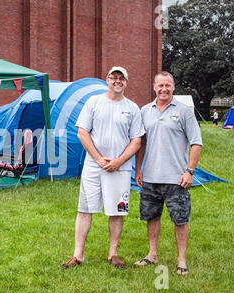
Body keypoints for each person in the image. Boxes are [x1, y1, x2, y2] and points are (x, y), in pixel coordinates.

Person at [61, 66, 145, 269]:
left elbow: (136, 140)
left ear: (126, 82)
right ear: (107, 79)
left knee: (117, 211)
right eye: (113, 77)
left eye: (121, 78)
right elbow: (82, 132)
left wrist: (118, 161)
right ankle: (77, 255)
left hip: (120, 168)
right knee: (84, 209)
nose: (117, 81)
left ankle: (113, 254)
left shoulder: (132, 108)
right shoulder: (93, 102)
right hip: (93, 166)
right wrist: (99, 159)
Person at [134, 71, 202, 275]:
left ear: (173, 87)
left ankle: (181, 260)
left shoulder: (184, 111)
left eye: (167, 85)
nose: (164, 89)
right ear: (154, 87)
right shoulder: (145, 111)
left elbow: (196, 142)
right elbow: (141, 143)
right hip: (150, 177)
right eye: (160, 85)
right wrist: (138, 168)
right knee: (151, 217)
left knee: (180, 219)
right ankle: (152, 255)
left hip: (177, 178)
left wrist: (189, 171)